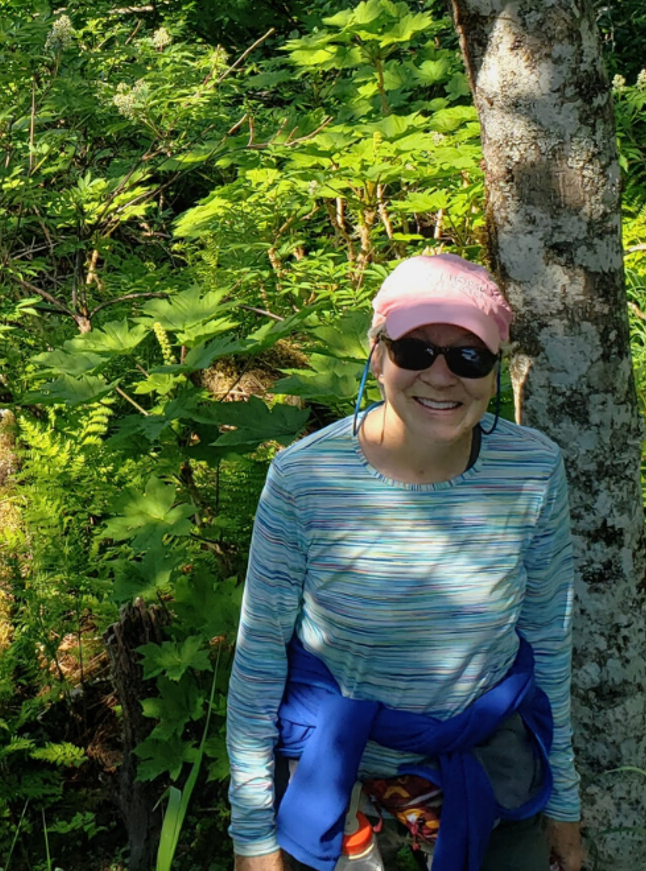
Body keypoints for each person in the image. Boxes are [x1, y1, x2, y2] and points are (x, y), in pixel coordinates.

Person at [224, 252, 584, 871]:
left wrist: (565, 802)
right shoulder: (304, 479)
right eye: (415, 350)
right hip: (342, 785)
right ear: (377, 354)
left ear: (496, 372)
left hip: (491, 774)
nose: (440, 377)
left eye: (469, 357)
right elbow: (258, 663)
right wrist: (253, 837)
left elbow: (549, 643)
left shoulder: (533, 470)